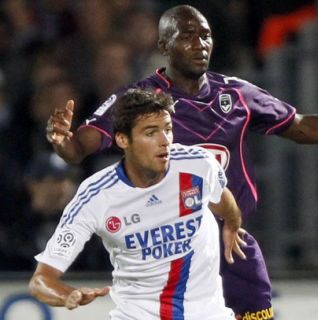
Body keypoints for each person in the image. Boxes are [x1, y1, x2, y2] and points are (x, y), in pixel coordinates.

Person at [45, 5, 318, 319]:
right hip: (170, 247)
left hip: (232, 244)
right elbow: (81, 147)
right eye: (187, 36)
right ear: (163, 46)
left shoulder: (236, 94)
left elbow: (302, 126)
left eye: (205, 36)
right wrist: (65, 144)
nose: (199, 44)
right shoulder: (139, 102)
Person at [31, 88, 246, 320]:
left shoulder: (198, 164)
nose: (165, 141)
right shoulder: (96, 196)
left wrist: (232, 224)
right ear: (123, 139)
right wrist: (67, 295)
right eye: (151, 133)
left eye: (168, 130)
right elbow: (41, 280)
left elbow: (222, 198)